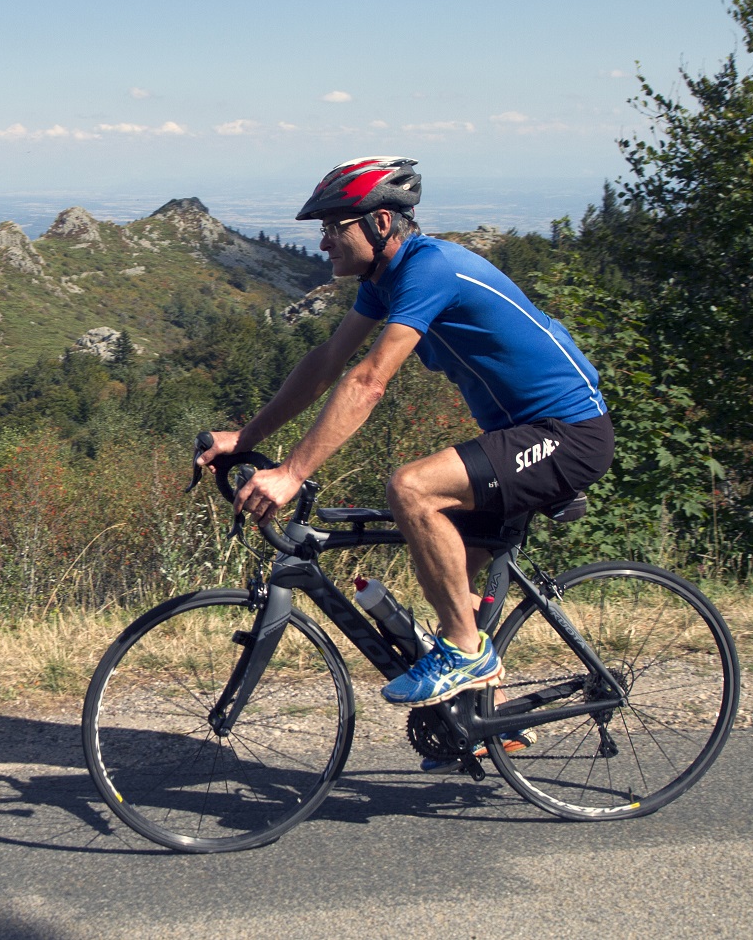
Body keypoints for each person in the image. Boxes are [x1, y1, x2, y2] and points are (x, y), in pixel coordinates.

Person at [196, 156, 613, 763]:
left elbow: (367, 382)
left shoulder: (430, 269)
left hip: (568, 433)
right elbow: (327, 362)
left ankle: (469, 657)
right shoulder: (384, 279)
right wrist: (249, 435)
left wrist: (291, 472)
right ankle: (480, 721)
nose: (323, 239)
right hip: (524, 435)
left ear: (381, 222)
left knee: (412, 489)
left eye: (335, 226)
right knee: (450, 587)